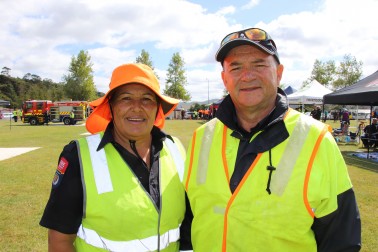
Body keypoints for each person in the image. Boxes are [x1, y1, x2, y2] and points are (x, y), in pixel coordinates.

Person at [182, 27, 361, 251]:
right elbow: (190, 215)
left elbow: (341, 237)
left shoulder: (317, 139)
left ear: (279, 73)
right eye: (235, 67)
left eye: (259, 65)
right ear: (224, 79)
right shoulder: (202, 137)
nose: (247, 76)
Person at [40, 63, 188, 251]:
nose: (137, 108)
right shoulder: (78, 156)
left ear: (157, 107)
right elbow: (60, 240)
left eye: (147, 99)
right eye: (126, 99)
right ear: (111, 107)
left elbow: (189, 223)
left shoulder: (175, 149)